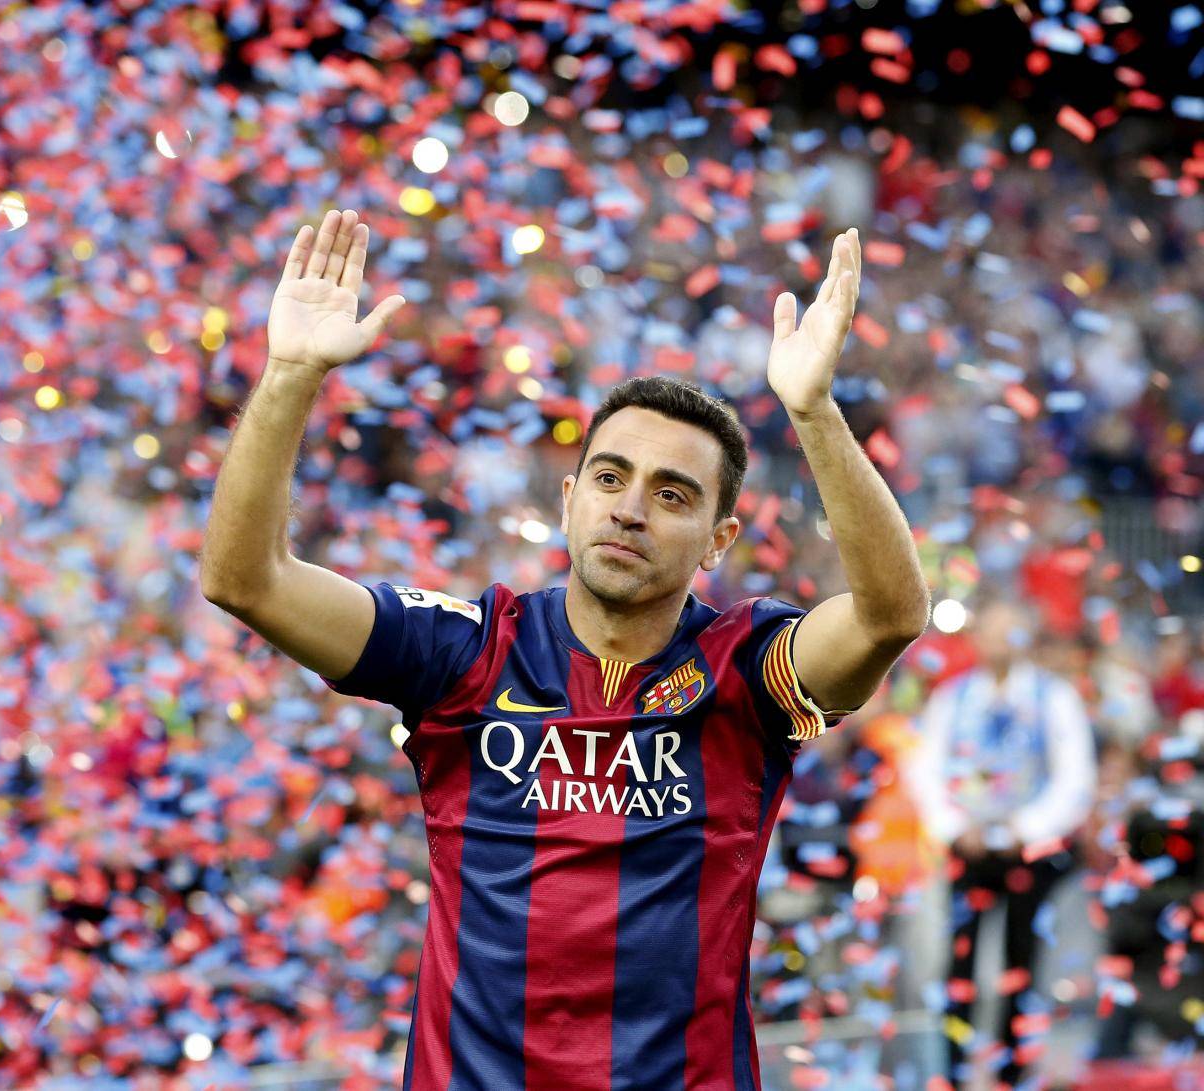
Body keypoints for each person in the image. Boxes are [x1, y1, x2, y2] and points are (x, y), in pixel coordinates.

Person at [199, 208, 930, 1090]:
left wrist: (812, 411)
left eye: (671, 494)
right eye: (613, 478)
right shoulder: (465, 650)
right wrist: (288, 374)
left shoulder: (748, 667)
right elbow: (246, 579)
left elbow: (892, 614)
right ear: (570, 496)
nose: (630, 508)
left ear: (718, 539)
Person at [904, 596, 1096, 1089]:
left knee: (1022, 960)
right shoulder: (954, 697)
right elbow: (925, 770)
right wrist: (953, 826)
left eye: (1009, 631)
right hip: (967, 851)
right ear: (977, 639)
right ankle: (952, 1067)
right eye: (991, 631)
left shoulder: (1054, 698)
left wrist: (1027, 828)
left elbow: (1075, 777)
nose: (999, 643)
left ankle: (1014, 1069)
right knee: (959, 962)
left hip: (1026, 853)